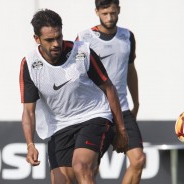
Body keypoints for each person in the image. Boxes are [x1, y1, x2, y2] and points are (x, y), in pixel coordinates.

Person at [19, 9, 128, 184]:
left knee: (81, 166)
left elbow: (109, 87)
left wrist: (121, 129)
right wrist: (30, 144)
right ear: (37, 39)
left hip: (94, 116)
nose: (56, 44)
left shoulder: (82, 52)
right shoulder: (29, 64)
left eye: (59, 37)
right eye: (49, 40)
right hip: (59, 126)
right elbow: (28, 111)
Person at [77, 1, 145, 183]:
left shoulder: (127, 36)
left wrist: (136, 103)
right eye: (105, 13)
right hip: (95, 111)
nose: (109, 17)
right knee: (91, 168)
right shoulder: (84, 38)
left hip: (122, 109)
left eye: (113, 13)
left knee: (138, 160)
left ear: (119, 11)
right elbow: (76, 75)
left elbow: (130, 70)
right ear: (97, 12)